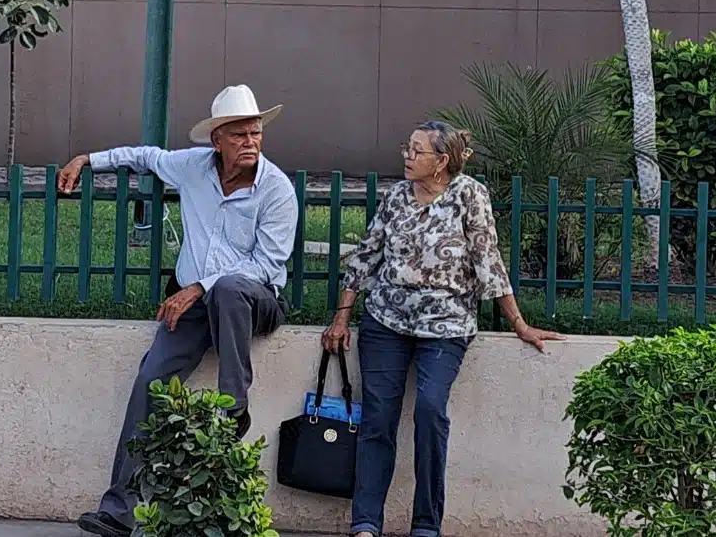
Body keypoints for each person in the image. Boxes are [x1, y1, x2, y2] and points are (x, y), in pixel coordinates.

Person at [60, 85, 297, 537]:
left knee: (228, 288)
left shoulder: (277, 190)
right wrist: (87, 159)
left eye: (256, 133)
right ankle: (119, 509)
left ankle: (234, 405)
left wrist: (198, 287)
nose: (250, 141)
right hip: (194, 304)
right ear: (217, 140)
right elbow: (145, 155)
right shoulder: (191, 167)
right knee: (151, 382)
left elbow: (267, 265)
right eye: (240, 134)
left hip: (255, 301)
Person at [323, 121, 563, 537]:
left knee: (430, 410)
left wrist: (519, 324)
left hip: (447, 324)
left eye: (417, 151)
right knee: (378, 418)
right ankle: (365, 523)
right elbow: (367, 256)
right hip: (387, 321)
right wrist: (341, 317)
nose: (407, 156)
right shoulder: (396, 196)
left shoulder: (469, 195)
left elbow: (488, 261)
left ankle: (426, 524)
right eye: (407, 147)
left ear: (442, 162)